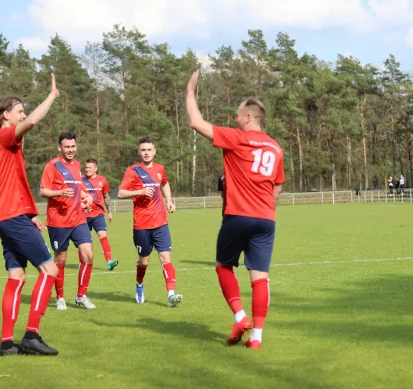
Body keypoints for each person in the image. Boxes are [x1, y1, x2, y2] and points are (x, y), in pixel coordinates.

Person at [186, 70, 285, 349]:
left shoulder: (237, 138)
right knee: (260, 277)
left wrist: (189, 94)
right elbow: (277, 188)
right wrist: (265, 209)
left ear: (249, 117)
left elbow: (196, 122)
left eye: (238, 115)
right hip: (266, 219)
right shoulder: (276, 148)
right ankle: (257, 338)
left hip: (238, 216)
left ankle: (241, 317)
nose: (235, 118)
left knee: (223, 266)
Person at [0, 74, 60, 356]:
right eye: (19, 110)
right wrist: (51, 97)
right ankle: (31, 335)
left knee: (16, 275)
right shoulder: (1, 135)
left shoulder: (5, 143)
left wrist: (30, 213)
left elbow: (14, 183)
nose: (24, 115)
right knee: (49, 270)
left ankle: (7, 343)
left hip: (9, 216)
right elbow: (31, 123)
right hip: (12, 216)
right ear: (7, 115)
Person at [117, 136, 183, 307]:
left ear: (154, 151)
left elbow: (165, 183)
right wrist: (139, 192)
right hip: (141, 224)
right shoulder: (133, 170)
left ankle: (171, 294)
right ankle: (139, 284)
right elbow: (121, 193)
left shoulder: (160, 168)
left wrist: (169, 200)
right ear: (139, 152)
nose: (146, 153)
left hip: (161, 222)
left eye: (149, 150)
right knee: (144, 262)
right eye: (143, 150)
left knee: (165, 258)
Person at [40, 132, 95, 311]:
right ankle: (60, 297)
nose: (70, 150)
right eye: (67, 147)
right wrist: (59, 193)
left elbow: (78, 187)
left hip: (78, 219)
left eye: (73, 146)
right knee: (61, 260)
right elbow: (43, 191)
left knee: (88, 255)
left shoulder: (77, 165)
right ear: (60, 148)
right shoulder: (52, 165)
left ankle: (81, 295)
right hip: (59, 221)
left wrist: (87, 197)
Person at [82, 159, 118, 271]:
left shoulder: (102, 180)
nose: (87, 169)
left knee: (103, 235)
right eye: (86, 167)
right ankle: (83, 262)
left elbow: (106, 196)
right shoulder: (80, 180)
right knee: (84, 241)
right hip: (84, 215)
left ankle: (109, 261)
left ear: (95, 168)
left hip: (98, 214)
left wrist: (110, 211)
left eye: (90, 167)